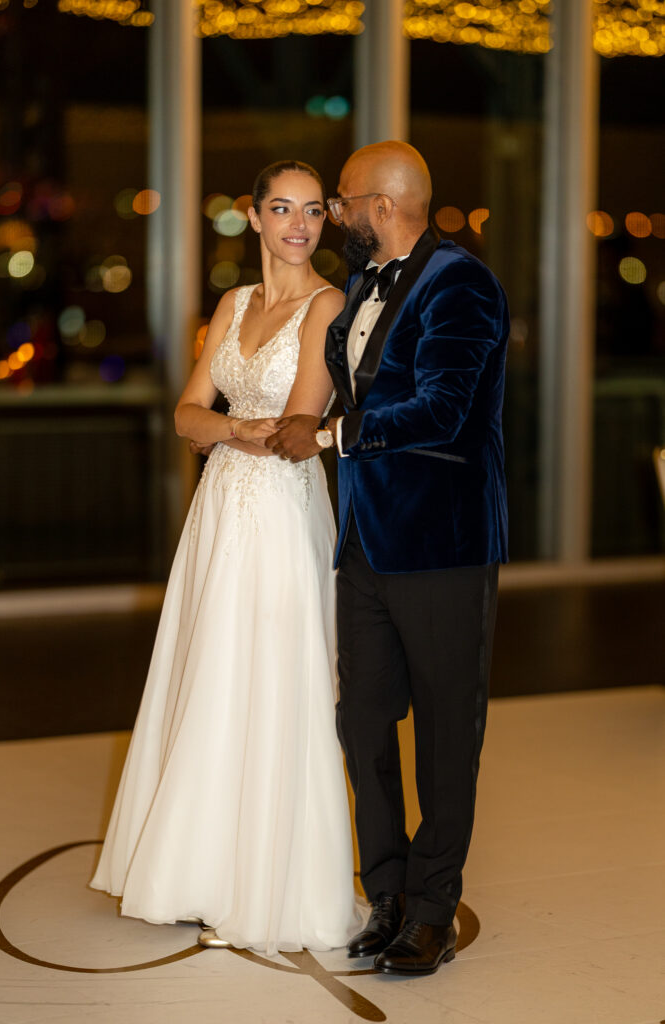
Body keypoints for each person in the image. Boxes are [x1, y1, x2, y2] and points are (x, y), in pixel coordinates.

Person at [90, 160, 362, 956]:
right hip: (218, 510)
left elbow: (296, 428)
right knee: (209, 670)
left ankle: (268, 881)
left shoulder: (328, 304)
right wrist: (236, 428)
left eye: (311, 211)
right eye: (281, 208)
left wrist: (228, 429)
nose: (298, 225)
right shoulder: (233, 303)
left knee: (273, 675)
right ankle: (195, 869)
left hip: (281, 511)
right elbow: (185, 414)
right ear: (253, 216)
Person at [268, 141, 509, 975]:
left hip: (443, 545)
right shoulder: (363, 284)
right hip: (365, 543)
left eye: (340, 200)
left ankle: (433, 912)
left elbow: (443, 410)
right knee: (363, 721)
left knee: (445, 732)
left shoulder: (461, 284)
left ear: (380, 205)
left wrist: (330, 436)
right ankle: (387, 895)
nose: (333, 214)